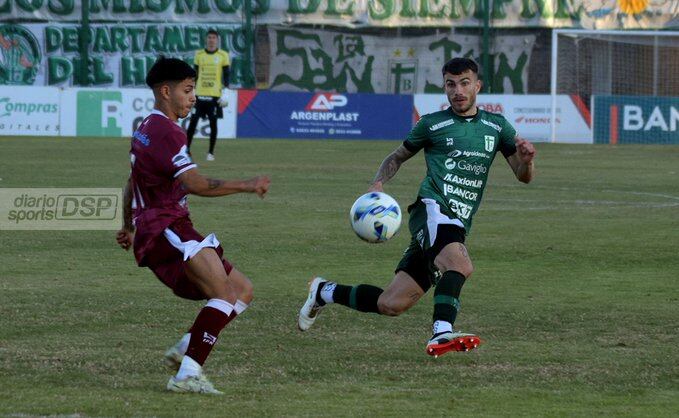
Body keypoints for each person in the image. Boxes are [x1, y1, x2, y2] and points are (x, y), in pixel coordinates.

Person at [297, 58, 536, 358]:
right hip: (432, 210)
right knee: (460, 265)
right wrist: (377, 184)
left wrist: (527, 161)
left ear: (477, 86)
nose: (457, 91)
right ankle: (441, 333)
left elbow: (522, 176)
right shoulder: (432, 124)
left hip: (459, 222)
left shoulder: (497, 126)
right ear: (445, 86)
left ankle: (324, 291)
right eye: (451, 84)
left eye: (464, 83)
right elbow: (396, 157)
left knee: (390, 304)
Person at [116, 57, 270, 394]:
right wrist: (247, 184)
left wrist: (127, 224)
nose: (193, 97)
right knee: (225, 294)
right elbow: (194, 184)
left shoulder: (146, 126)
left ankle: (187, 348)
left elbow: (133, 179)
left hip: (163, 228)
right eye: (187, 90)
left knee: (242, 290)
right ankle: (187, 374)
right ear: (165, 91)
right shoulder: (167, 132)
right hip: (165, 228)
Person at [186, 29, 231, 161]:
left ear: (217, 40)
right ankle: (186, 150)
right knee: (193, 122)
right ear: (206, 40)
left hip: (214, 95)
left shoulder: (223, 55)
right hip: (199, 95)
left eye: (214, 38)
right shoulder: (199, 55)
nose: (211, 40)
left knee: (213, 123)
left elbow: (227, 74)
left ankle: (210, 152)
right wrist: (191, 91)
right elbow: (195, 74)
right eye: (209, 37)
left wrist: (226, 91)